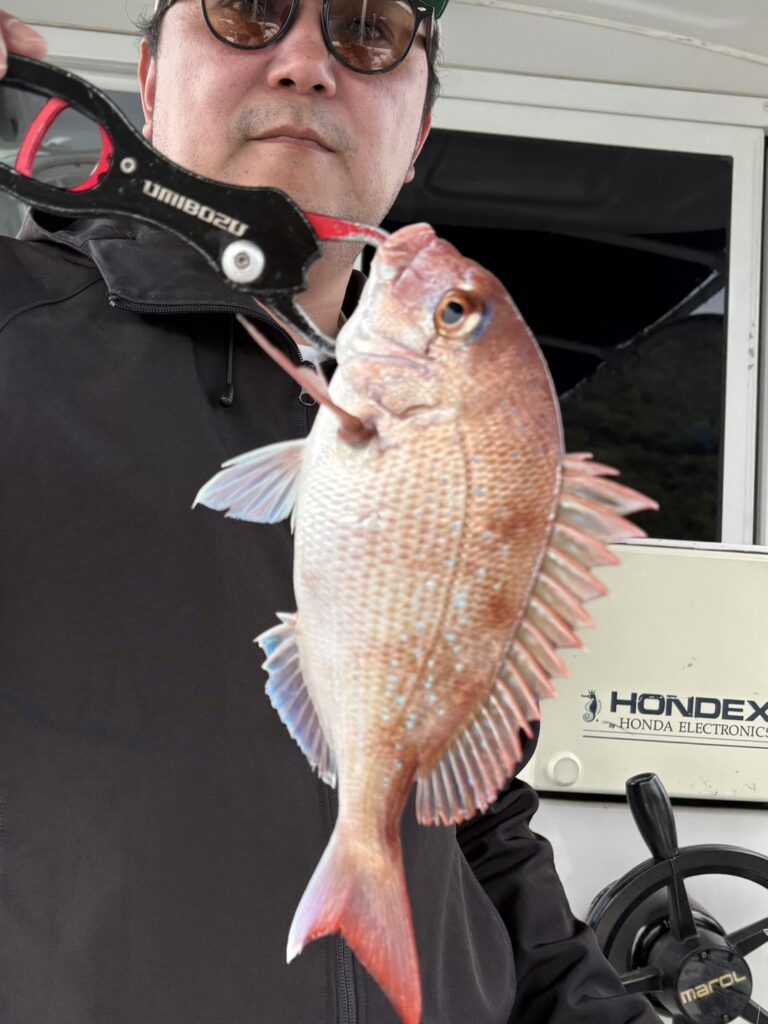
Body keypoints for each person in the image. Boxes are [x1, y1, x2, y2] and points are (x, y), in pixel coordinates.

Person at [0, 5, 661, 1023]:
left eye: (369, 31)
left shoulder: (437, 430)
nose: (306, 63)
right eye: (246, 11)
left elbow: (473, 831)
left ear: (418, 129)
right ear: (150, 79)